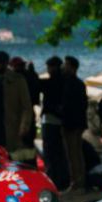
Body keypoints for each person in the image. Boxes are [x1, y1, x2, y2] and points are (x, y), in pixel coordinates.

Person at [39, 56, 69, 188]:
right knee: (59, 153)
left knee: (50, 153)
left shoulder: (52, 82)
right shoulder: (64, 81)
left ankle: (54, 180)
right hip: (59, 120)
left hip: (51, 120)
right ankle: (62, 179)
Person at [60, 56, 89, 192]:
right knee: (76, 153)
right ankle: (79, 181)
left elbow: (72, 105)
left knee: (73, 154)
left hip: (71, 123)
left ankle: (77, 182)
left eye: (66, 65)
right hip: (77, 123)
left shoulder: (71, 83)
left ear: (71, 67)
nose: (63, 67)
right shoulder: (78, 83)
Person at [0, 53, 34, 156]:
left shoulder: (18, 79)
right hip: (19, 123)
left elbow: (26, 106)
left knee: (20, 153)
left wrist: (24, 126)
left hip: (17, 124)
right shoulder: (28, 77)